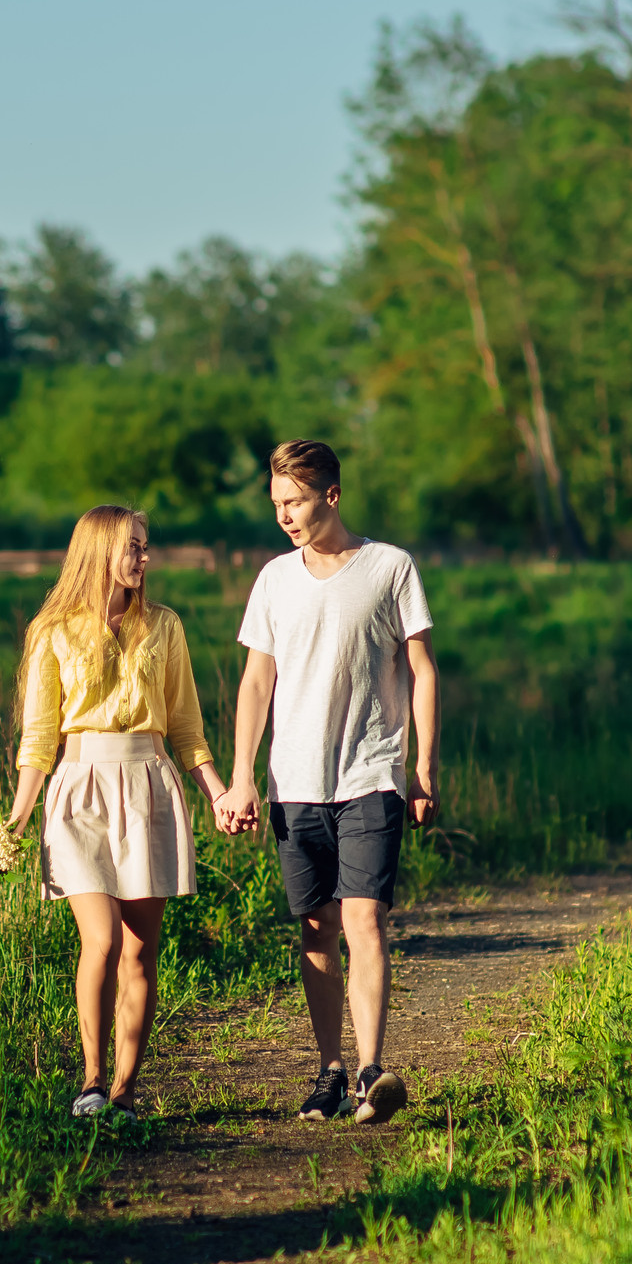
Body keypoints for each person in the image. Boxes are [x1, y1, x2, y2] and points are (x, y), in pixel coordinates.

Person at [216, 441, 437, 1124]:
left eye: (295, 501)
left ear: (331, 496)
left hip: (371, 773)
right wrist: (240, 777)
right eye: (277, 504)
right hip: (295, 783)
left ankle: (372, 1071)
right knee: (316, 927)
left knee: (364, 918)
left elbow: (422, 669)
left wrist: (422, 767)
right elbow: (257, 682)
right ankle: (330, 1072)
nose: (284, 515)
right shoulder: (274, 580)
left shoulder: (390, 567)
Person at [5, 505, 228, 1118]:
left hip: (149, 784)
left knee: (138, 949)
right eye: (133, 546)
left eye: (145, 546)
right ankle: (92, 1080)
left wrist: (217, 791)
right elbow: (38, 738)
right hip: (78, 790)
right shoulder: (52, 631)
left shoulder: (164, 625)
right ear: (99, 549)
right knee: (99, 940)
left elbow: (185, 724)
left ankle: (127, 1091)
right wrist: (17, 820)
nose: (144, 557)